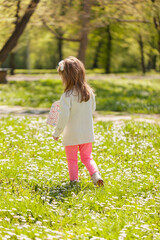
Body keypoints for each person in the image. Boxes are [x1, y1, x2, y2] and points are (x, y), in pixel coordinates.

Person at [52, 56, 104, 187]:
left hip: (71, 135)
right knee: (87, 157)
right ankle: (96, 175)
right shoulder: (89, 93)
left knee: (72, 159)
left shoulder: (67, 96)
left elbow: (63, 117)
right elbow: (92, 110)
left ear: (66, 77)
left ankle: (74, 182)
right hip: (86, 133)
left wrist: (57, 132)